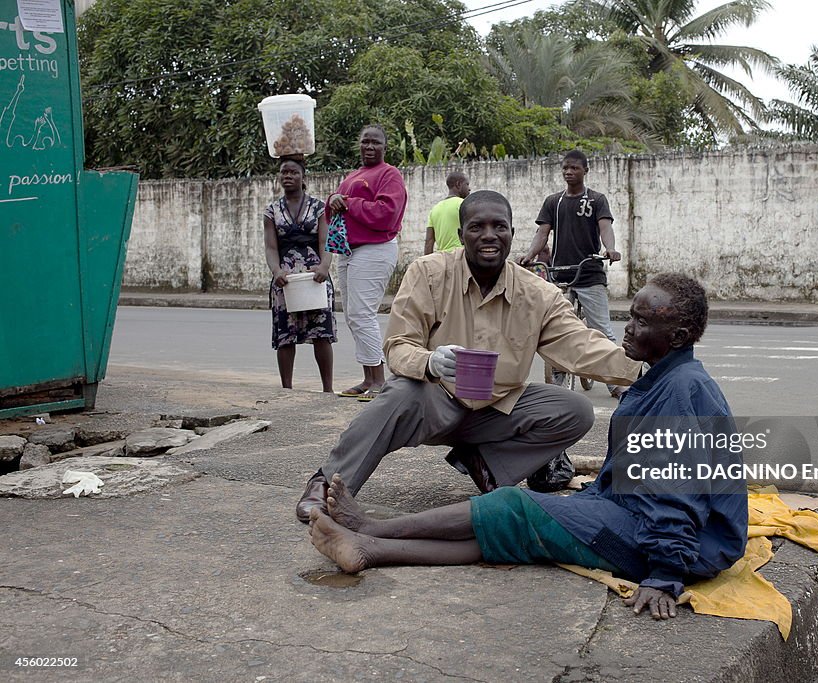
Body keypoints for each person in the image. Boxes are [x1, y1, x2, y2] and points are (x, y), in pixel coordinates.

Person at [308, 272, 749, 620]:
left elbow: (677, 492)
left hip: (673, 545)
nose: (627, 328)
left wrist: (665, 575)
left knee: (513, 508)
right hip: (642, 521)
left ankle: (370, 529)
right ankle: (369, 549)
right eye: (629, 315)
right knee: (517, 532)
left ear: (677, 336)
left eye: (642, 321)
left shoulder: (680, 390)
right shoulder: (664, 377)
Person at [296, 190, 642, 523]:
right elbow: (398, 345)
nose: (489, 235)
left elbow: (580, 345)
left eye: (499, 226)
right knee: (398, 393)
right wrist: (430, 362)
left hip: (497, 408)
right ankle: (328, 483)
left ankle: (485, 464)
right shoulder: (428, 273)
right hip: (435, 400)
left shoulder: (539, 294)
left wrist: (642, 369)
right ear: (462, 235)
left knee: (574, 410)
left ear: (511, 233)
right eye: (477, 227)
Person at [518, 150, 625, 399]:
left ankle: (616, 382)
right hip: (559, 273)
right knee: (556, 328)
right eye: (565, 167)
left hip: (589, 272)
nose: (569, 172)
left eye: (574, 168)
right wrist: (530, 254)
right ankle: (558, 377)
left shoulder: (597, 200)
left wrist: (610, 249)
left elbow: (605, 227)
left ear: (585, 171)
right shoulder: (553, 202)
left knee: (603, 330)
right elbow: (542, 234)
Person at [328, 125, 408, 399]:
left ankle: (379, 379)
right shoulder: (353, 176)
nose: (369, 147)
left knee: (362, 313)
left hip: (375, 248)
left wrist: (348, 202)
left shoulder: (390, 174)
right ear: (359, 145)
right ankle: (367, 377)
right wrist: (334, 199)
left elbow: (386, 213)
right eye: (365, 142)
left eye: (376, 143)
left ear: (385, 148)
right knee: (353, 315)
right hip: (349, 251)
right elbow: (333, 210)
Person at [263, 157, 336, 392]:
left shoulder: (319, 207)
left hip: (315, 276)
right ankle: (287, 389)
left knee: (321, 333)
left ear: (304, 177)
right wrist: (276, 271)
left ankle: (327, 389)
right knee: (285, 335)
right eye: (284, 172)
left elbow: (325, 241)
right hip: (285, 279)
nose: (288, 176)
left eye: (293, 172)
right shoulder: (271, 211)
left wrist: (325, 266)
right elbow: (271, 247)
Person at [424, 171, 470, 254]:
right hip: (461, 256)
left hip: (442, 259)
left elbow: (429, 241)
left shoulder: (435, 209)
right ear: (458, 184)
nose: (469, 188)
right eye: (467, 184)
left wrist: (427, 263)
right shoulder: (464, 204)